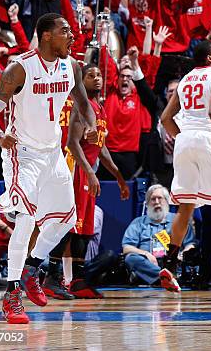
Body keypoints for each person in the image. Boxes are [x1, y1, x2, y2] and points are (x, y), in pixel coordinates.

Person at [0, 13, 98, 324]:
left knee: (67, 219)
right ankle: (12, 293)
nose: (72, 37)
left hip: (53, 154)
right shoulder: (19, 68)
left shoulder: (71, 66)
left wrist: (90, 125)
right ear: (46, 36)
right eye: (65, 32)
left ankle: (32, 268)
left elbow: (83, 103)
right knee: (26, 219)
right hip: (23, 153)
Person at [43, 64, 130, 300]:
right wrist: (90, 173)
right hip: (73, 167)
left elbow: (100, 149)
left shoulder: (99, 108)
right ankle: (52, 276)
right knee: (68, 224)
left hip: (87, 169)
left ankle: (79, 281)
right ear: (81, 82)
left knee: (85, 228)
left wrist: (119, 178)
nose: (97, 79)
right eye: (90, 76)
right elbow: (73, 144)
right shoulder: (81, 107)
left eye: (99, 75)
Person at [160, 40, 211, 292]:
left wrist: (183, 137)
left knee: (185, 207)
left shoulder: (185, 80)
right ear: (210, 58)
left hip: (184, 140)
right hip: (207, 138)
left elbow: (165, 118)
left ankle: (170, 262)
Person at [122, 184, 196, 286]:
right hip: (148, 264)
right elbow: (127, 247)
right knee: (131, 258)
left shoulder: (178, 220)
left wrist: (180, 255)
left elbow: (190, 244)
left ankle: (165, 277)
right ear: (147, 203)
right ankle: (166, 278)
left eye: (160, 198)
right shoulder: (138, 222)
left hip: (174, 262)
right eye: (153, 199)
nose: (157, 202)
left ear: (166, 201)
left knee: (192, 257)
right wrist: (146, 254)